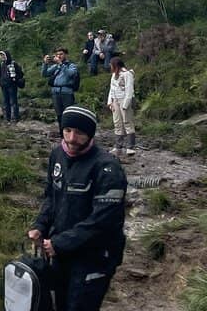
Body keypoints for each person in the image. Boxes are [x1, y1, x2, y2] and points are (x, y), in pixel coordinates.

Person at [28, 106, 127, 311]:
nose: (72, 138)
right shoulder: (57, 154)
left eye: (80, 133)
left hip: (94, 256)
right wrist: (40, 226)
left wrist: (60, 243)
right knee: (60, 304)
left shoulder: (108, 169)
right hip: (61, 253)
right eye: (67, 131)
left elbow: (103, 221)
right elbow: (51, 196)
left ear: (91, 134)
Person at [43, 48, 79, 134]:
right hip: (55, 92)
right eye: (57, 54)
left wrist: (61, 64)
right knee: (59, 115)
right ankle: (62, 134)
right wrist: (45, 63)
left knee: (68, 114)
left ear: (66, 55)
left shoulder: (71, 65)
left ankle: (70, 133)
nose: (59, 56)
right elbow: (45, 74)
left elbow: (71, 74)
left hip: (67, 92)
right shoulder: (56, 66)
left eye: (61, 54)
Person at [107, 56, 137, 156]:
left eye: (111, 65)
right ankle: (118, 147)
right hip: (115, 100)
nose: (110, 67)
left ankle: (130, 147)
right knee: (117, 123)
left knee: (127, 122)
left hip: (124, 100)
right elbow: (111, 89)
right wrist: (110, 102)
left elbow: (129, 89)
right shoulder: (114, 75)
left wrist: (126, 104)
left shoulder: (127, 74)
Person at [0, 50, 24, 123]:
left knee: (14, 102)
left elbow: (20, 73)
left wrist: (15, 79)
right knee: (6, 102)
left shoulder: (13, 63)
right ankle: (8, 118)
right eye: (1, 55)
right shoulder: (1, 64)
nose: (2, 57)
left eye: (3, 55)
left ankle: (16, 118)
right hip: (4, 86)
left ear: (7, 55)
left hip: (12, 85)